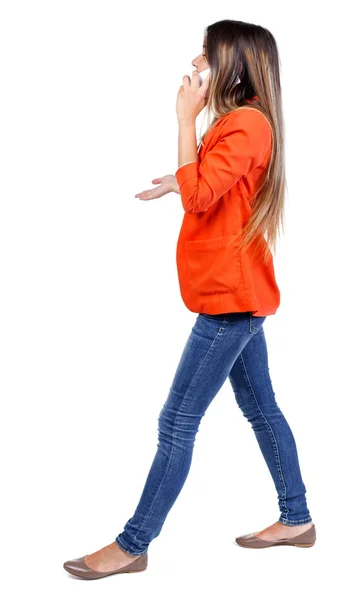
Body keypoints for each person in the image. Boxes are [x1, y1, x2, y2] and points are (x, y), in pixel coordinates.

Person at [63, 18, 316, 580]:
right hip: (236, 292)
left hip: (231, 299)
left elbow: (202, 196)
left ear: (234, 62)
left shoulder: (245, 121)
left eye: (207, 53)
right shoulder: (242, 121)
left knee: (176, 422)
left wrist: (183, 119)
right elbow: (214, 186)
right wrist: (179, 178)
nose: (196, 62)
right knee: (260, 408)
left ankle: (132, 545)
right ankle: (297, 518)